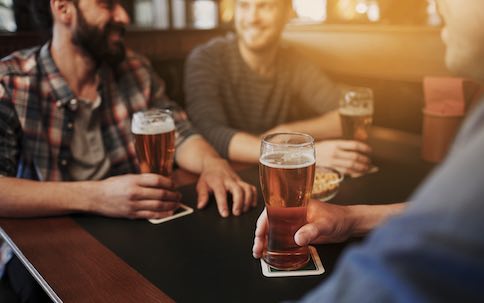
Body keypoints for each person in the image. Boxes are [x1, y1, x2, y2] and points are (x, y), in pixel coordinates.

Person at [253, 0, 484, 301]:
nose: (437, 5)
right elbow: (454, 220)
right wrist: (352, 218)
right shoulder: (212, 59)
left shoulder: (291, 61)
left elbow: (401, 275)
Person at [184, 0, 372, 176]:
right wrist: (295, 152)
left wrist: (286, 134)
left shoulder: (294, 62)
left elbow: (344, 116)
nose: (252, 18)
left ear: (287, 12)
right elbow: (208, 131)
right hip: (220, 177)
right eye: (244, 5)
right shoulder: (206, 58)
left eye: (265, 6)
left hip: (275, 177)